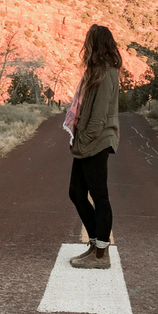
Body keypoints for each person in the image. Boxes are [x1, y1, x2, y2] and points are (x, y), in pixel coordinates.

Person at [63, 24, 121, 269]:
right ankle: (96, 244)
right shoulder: (95, 71)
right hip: (88, 139)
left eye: (89, 41)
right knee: (76, 192)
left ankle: (101, 255)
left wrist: (83, 140)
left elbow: (98, 116)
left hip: (97, 140)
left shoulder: (107, 73)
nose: (85, 45)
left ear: (97, 44)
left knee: (99, 195)